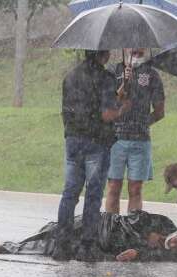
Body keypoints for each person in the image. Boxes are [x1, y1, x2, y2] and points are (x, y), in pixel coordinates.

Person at [54, 49, 131, 262]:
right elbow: (106, 114)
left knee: (70, 193)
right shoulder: (105, 77)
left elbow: (82, 106)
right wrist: (122, 107)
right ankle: (87, 246)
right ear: (103, 55)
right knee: (93, 194)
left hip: (73, 140)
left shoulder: (70, 76)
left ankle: (62, 245)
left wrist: (116, 94)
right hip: (96, 142)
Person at [0, 210, 177, 262]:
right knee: (56, 229)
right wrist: (144, 238)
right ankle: (15, 244)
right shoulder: (164, 223)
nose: (172, 243)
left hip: (103, 243)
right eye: (176, 239)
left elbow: (145, 257)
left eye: (176, 246)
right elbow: (136, 217)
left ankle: (7, 248)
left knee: (59, 247)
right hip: (103, 223)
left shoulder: (168, 255)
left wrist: (136, 253)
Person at [105, 48, 166, 215]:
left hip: (141, 141)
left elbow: (160, 112)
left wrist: (142, 123)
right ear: (124, 48)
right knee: (113, 187)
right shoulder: (112, 71)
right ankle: (111, 229)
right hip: (114, 140)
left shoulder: (152, 74)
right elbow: (106, 105)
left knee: (136, 189)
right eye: (132, 45)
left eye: (140, 45)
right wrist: (122, 85)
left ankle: (132, 229)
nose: (136, 49)